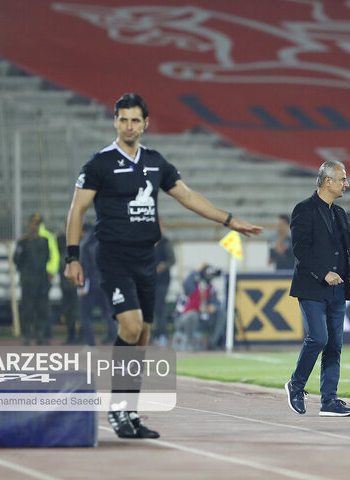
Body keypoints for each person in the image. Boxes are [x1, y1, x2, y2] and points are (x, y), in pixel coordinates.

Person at [64, 93, 262, 439]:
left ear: (145, 124)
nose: (129, 126)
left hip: (146, 258)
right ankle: (116, 409)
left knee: (141, 337)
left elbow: (186, 195)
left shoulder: (155, 162)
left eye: (135, 120)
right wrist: (72, 257)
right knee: (130, 325)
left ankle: (130, 411)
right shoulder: (99, 164)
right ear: (115, 122)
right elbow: (76, 210)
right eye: (123, 119)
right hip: (112, 257)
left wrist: (228, 220)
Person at [285, 160, 350, 417]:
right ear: (327, 181)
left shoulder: (339, 213)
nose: (346, 183)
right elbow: (300, 249)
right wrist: (324, 272)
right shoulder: (304, 209)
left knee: (334, 345)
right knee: (318, 338)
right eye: (342, 179)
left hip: (337, 289)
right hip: (312, 286)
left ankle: (329, 401)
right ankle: (296, 386)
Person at [14, 213, 51, 345]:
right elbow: (17, 259)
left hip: (41, 281)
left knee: (42, 309)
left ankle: (40, 334)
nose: (36, 227)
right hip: (29, 281)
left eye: (38, 224)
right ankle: (26, 335)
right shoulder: (23, 242)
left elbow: (47, 258)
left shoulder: (44, 241)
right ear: (29, 225)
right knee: (27, 309)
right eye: (34, 224)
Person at [172, 263, 226, 351]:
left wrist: (213, 307)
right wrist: (197, 271)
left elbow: (215, 303)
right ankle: (189, 344)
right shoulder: (192, 285)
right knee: (193, 315)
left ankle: (212, 343)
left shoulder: (210, 288)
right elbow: (186, 284)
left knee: (221, 313)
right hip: (183, 319)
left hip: (201, 320)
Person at [78, 223, 114, 346]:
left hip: (90, 285)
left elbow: (85, 268)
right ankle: (119, 343)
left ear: (84, 232)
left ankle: (91, 344)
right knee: (109, 314)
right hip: (105, 283)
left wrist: (81, 286)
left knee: (85, 315)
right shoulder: (104, 243)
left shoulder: (85, 245)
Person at [152, 220, 175, 345]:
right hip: (150, 280)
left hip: (162, 281)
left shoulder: (166, 242)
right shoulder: (149, 241)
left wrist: (163, 266)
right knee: (153, 309)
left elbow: (172, 260)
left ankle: (163, 334)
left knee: (160, 308)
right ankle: (155, 334)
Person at [57, 222, 80, 344]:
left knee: (78, 311)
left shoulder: (78, 242)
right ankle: (71, 335)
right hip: (66, 284)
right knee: (68, 311)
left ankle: (81, 336)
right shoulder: (61, 242)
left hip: (76, 283)